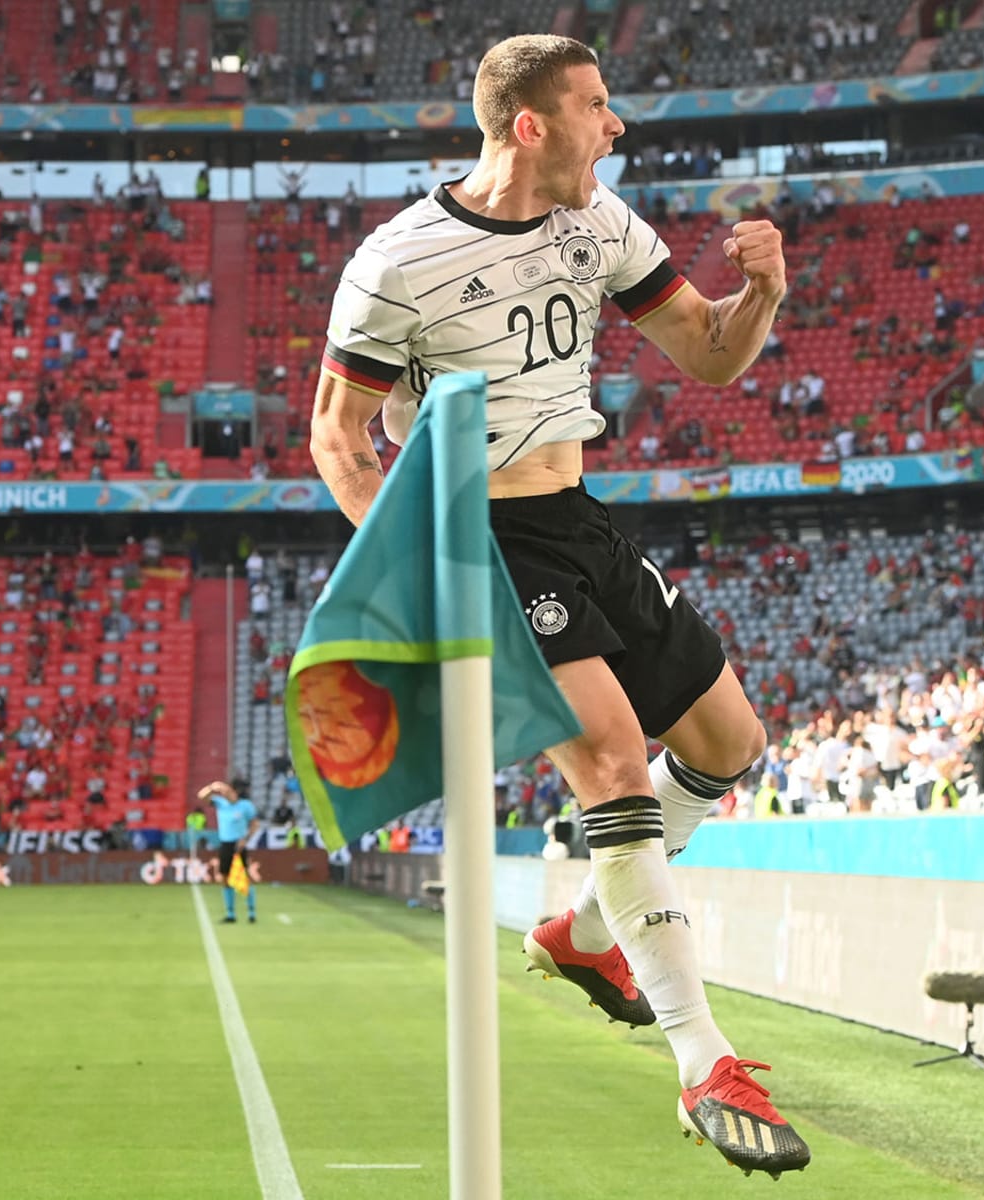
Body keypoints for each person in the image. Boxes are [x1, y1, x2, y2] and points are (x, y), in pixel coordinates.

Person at [307, 34, 807, 1179]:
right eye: (596, 106)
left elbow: (709, 355)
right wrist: (423, 567)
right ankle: (704, 1064)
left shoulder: (603, 223)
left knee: (731, 745)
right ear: (530, 125)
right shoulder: (401, 261)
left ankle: (581, 935)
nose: (616, 126)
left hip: (580, 518)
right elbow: (338, 437)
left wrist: (763, 292)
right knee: (615, 766)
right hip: (480, 533)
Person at [197, 779, 258, 923]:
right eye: (223, 791)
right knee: (224, 877)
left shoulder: (245, 806)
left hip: (239, 844)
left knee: (245, 877)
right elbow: (201, 796)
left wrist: (246, 839)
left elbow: (255, 824)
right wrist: (212, 787)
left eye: (227, 791)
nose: (224, 793)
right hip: (225, 844)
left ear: (234, 792)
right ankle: (230, 914)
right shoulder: (220, 803)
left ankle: (251, 911)